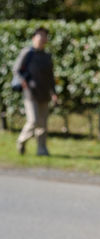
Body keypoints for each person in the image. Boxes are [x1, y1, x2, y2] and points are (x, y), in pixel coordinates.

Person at [13, 27, 58, 156]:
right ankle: (21, 140)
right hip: (30, 93)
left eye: (45, 36)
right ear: (34, 38)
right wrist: (22, 80)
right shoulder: (27, 53)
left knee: (43, 124)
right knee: (33, 121)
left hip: (44, 93)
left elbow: (50, 76)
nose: (42, 38)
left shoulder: (47, 56)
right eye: (40, 36)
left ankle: (42, 149)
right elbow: (16, 69)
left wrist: (53, 92)